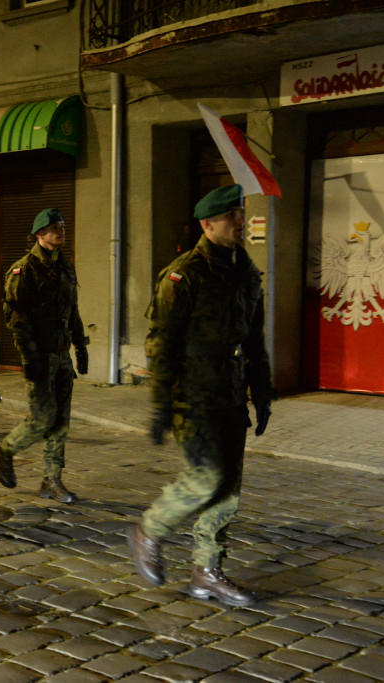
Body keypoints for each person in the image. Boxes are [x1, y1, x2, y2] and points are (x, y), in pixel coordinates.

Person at [129, 184, 272, 607]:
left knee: (228, 487)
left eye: (241, 214)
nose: (239, 222)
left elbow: (255, 339)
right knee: (205, 478)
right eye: (231, 216)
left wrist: (261, 391)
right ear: (208, 225)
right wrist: (159, 404)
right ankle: (147, 530)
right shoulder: (183, 273)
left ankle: (206, 572)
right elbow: (160, 341)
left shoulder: (245, 272)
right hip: (191, 392)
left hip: (229, 389)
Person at [0, 208, 88, 503]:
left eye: (62, 225)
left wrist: (80, 346)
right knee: (42, 418)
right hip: (40, 355)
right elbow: (15, 316)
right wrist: (29, 357)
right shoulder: (25, 268)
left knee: (61, 421)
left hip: (61, 355)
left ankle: (52, 480)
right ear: (39, 234)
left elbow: (72, 309)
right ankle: (4, 450)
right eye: (55, 227)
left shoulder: (64, 265)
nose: (61, 230)